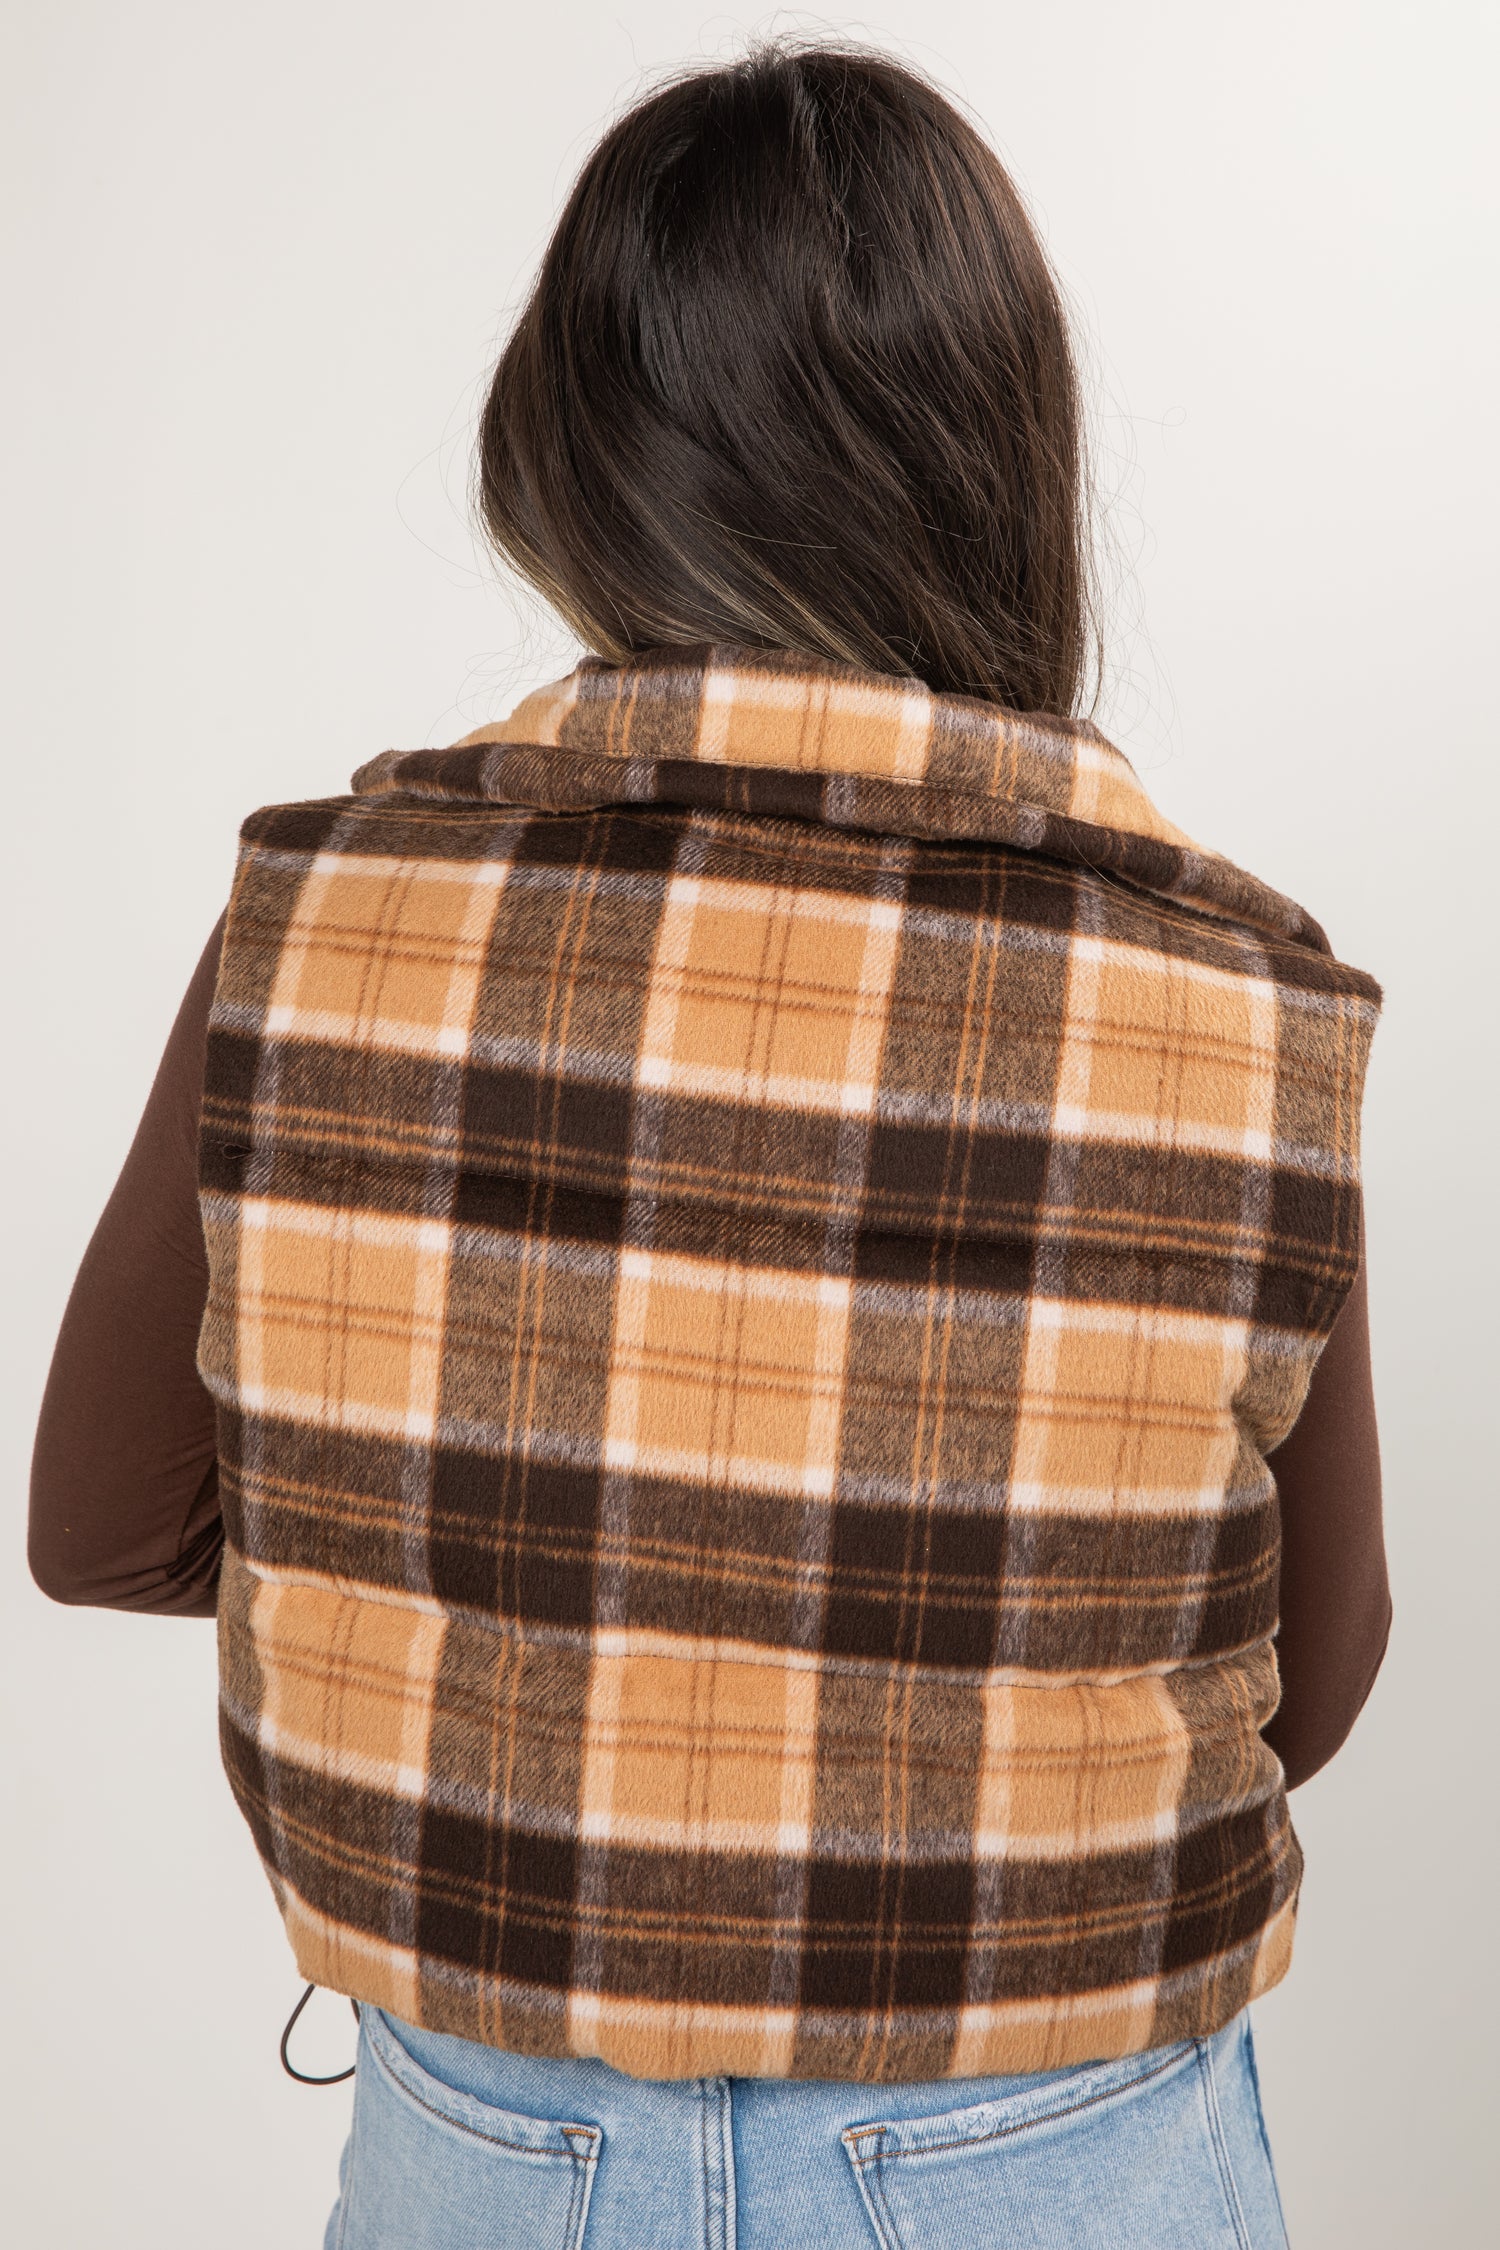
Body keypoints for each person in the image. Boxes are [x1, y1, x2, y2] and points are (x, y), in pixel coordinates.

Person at [29, 42, 1391, 2250]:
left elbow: (99, 1530)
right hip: (1055, 2153)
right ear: (999, 462)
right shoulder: (1234, 997)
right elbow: (1310, 1681)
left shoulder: (323, 921)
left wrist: (515, 1611)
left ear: (575, 456)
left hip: (487, 2142)